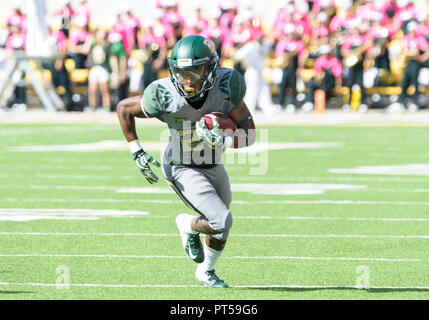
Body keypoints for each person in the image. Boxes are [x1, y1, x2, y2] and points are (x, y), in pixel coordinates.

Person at [117, 35, 255, 288]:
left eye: (195, 71)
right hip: (181, 166)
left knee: (220, 227)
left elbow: (251, 134)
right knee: (221, 219)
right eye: (181, 73)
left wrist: (224, 140)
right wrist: (136, 148)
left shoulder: (226, 86)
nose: (187, 80)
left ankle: (207, 271)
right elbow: (124, 109)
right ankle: (186, 224)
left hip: (213, 164)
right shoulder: (165, 94)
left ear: (211, 68)